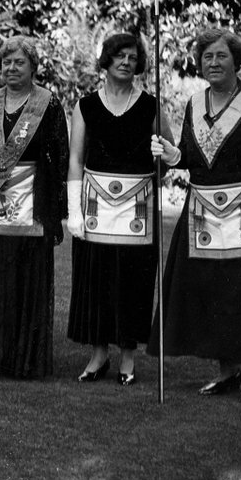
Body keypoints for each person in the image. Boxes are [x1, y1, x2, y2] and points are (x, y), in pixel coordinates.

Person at [150, 29, 241, 404]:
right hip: (201, 213)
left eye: (220, 56)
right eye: (207, 57)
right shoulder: (194, 103)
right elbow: (191, 155)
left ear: (237, 61)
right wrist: (171, 154)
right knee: (213, 290)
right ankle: (226, 372)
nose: (213, 63)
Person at [0, 37, 68, 379]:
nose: (11, 68)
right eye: (6, 62)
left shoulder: (48, 104)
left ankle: (23, 360)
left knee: (24, 280)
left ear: (33, 67)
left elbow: (60, 155)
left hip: (31, 205)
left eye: (19, 62)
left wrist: (51, 207)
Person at [65, 33, 167, 384]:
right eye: (119, 56)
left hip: (137, 209)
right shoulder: (86, 105)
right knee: (96, 279)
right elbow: (76, 158)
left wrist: (163, 154)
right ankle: (97, 356)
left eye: (133, 57)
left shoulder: (151, 105)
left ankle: (127, 359)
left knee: (133, 280)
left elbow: (166, 157)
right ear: (106, 60)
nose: (126, 62)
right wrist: (74, 211)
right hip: (95, 206)